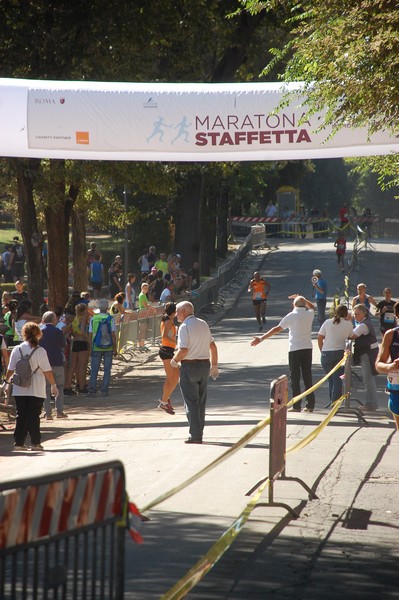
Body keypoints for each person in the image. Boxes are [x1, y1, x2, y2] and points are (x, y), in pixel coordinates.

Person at [251, 295, 316, 413]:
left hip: (295, 349)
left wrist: (261, 338)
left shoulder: (291, 316)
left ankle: (296, 406)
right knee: (308, 377)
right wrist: (303, 299)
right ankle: (310, 404)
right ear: (304, 305)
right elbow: (312, 307)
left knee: (295, 378)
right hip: (307, 349)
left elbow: (277, 329)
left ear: (293, 305)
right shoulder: (309, 314)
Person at [4, 321, 58, 451]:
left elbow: (10, 369)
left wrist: (6, 383)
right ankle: (35, 442)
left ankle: (19, 443)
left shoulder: (17, 349)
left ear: (23, 334)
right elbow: (47, 371)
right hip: (36, 388)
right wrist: (53, 385)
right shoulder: (40, 351)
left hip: (19, 387)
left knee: (21, 415)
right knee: (34, 415)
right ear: (38, 334)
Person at [170, 301, 218, 444]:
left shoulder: (184, 327)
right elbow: (213, 347)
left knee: (191, 402)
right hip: (204, 365)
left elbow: (183, 350)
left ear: (184, 311)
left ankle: (195, 435)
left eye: (177, 312)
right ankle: (198, 432)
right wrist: (214, 366)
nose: (176, 315)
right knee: (201, 401)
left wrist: (174, 360)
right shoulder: (203, 323)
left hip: (189, 366)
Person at [318, 304, 354, 407]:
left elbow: (320, 337)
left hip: (326, 353)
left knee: (330, 379)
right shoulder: (348, 324)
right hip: (339, 353)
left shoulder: (328, 322)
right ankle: (335, 403)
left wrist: (322, 350)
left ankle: (331, 401)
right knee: (338, 379)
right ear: (346, 313)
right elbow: (351, 336)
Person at [39, 311, 68, 419]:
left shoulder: (39, 331)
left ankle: (48, 413)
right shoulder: (58, 331)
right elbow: (63, 345)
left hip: (44, 363)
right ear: (54, 319)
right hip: (57, 361)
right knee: (59, 387)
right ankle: (59, 411)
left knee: (45, 388)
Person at [350, 304, 379, 411]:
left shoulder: (363, 325)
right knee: (368, 378)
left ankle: (371, 404)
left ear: (364, 313)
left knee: (368, 379)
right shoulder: (362, 323)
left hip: (368, 354)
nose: (356, 316)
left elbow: (352, 335)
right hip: (366, 352)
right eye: (355, 314)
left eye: (358, 314)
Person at [375, 302, 399, 430]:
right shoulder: (391, 335)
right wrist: (391, 367)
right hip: (396, 389)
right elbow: (378, 365)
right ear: (397, 316)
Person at [87, 298, 117, 397]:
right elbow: (113, 334)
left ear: (98, 308)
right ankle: (104, 390)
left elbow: (90, 335)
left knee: (94, 369)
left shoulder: (93, 319)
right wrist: (115, 348)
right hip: (108, 347)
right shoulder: (111, 319)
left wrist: (90, 348)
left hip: (96, 346)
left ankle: (92, 390)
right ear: (107, 308)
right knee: (107, 370)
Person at [64, 303, 90, 395]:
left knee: (73, 366)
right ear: (83, 311)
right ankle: (81, 386)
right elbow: (82, 332)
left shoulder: (73, 320)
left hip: (74, 343)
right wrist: (87, 338)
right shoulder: (82, 319)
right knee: (82, 366)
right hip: (82, 343)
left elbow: (67, 333)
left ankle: (68, 385)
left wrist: (71, 339)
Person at [158, 302, 179, 415]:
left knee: (176, 376)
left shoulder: (169, 320)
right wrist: (176, 342)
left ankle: (166, 398)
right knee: (171, 378)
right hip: (166, 351)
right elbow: (164, 336)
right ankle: (164, 401)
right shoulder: (167, 321)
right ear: (174, 312)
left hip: (169, 351)